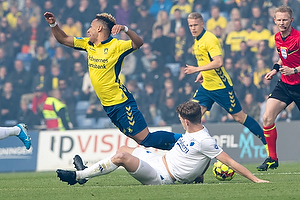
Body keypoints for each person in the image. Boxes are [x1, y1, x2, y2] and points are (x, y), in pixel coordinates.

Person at [44, 12, 182, 150]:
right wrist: (53, 24)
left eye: (91, 27)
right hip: (108, 106)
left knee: (146, 138)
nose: (87, 30)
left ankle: (184, 140)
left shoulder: (116, 45)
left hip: (121, 103)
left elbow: (138, 43)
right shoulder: (88, 44)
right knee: (143, 141)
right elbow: (63, 39)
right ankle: (182, 150)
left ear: (99, 29)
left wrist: (125, 29)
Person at [56, 101, 269, 185]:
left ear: (186, 121)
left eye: (180, 119)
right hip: (159, 160)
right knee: (123, 149)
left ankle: (79, 176)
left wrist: (255, 179)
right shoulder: (196, 132)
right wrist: (198, 176)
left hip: (162, 176)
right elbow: (198, 158)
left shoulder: (205, 140)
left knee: (121, 158)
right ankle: (87, 172)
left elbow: (230, 161)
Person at [184, 12, 268, 156]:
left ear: (202, 24)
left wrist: (196, 69)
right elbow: (206, 61)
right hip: (206, 86)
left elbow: (218, 62)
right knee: (191, 117)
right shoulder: (197, 40)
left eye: (195, 25)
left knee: (239, 117)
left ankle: (267, 142)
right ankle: (187, 154)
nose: (193, 28)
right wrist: (202, 73)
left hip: (221, 87)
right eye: (190, 25)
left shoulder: (210, 39)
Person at [257, 5, 300, 171]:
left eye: (285, 20)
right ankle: (272, 158)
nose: (282, 23)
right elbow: (284, 58)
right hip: (284, 84)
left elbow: (293, 63)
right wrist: (275, 70)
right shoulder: (276, 37)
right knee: (267, 118)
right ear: (275, 20)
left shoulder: (298, 37)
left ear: (291, 20)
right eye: (279, 20)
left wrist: (295, 70)